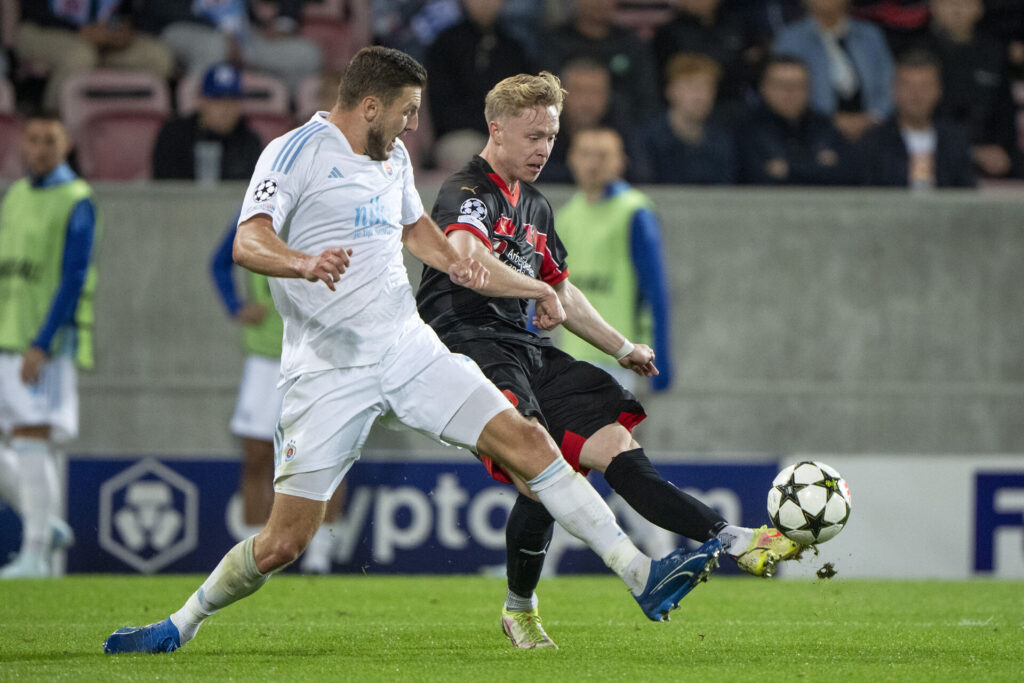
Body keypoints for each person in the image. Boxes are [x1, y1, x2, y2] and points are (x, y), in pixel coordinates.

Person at [103, 46, 722, 656]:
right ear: (370, 105)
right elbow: (248, 242)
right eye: (407, 110)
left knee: (530, 442)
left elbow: (412, 229)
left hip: (406, 348)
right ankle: (181, 623)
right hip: (327, 370)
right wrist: (303, 261)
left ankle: (641, 575)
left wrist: (461, 264)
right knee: (283, 543)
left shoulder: (393, 154)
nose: (415, 125)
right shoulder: (292, 154)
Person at [415, 71, 803, 650]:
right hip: (468, 347)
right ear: (496, 130)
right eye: (533, 136)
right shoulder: (468, 191)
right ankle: (534, 604)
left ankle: (733, 538)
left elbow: (562, 292)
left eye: (551, 135)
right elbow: (467, 261)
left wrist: (621, 346)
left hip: (526, 350)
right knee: (539, 472)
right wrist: (535, 291)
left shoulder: (538, 206)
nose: (545, 148)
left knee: (616, 450)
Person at [210, 213, 342, 574]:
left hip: (319, 349)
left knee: (327, 452)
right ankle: (252, 558)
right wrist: (235, 305)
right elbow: (220, 261)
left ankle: (320, 556)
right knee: (256, 454)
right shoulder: (255, 210)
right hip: (267, 353)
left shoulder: (325, 199)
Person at [0, 113, 97, 578]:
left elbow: (73, 277)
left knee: (30, 436)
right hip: (6, 334)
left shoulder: (77, 198)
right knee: (19, 441)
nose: (39, 148)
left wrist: (42, 342)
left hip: (45, 343)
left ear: (66, 144)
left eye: (50, 140)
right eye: (33, 139)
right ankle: (47, 521)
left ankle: (36, 553)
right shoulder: (15, 195)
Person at [556, 127, 673, 394]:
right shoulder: (566, 216)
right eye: (585, 154)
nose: (593, 164)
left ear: (621, 162)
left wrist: (662, 358)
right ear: (571, 158)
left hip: (622, 355)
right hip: (573, 353)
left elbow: (656, 288)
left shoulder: (634, 211)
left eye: (603, 155)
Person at [912, 0, 1020, 179]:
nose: (957, 10)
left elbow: (1005, 111)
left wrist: (1001, 148)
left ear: (979, 8)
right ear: (933, 7)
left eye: (965, 2)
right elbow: (918, 115)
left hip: (992, 150)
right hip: (937, 151)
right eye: (948, 3)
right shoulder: (919, 53)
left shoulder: (994, 51)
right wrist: (971, 152)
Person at [135, 0, 321, 97]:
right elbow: (157, 6)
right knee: (215, 47)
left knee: (308, 54)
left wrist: (281, 24)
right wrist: (220, 29)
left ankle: (281, 118)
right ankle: (194, 118)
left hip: (242, 31)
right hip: (183, 25)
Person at [15, 0, 173, 112]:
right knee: (80, 56)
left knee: (157, 57)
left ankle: (124, 125)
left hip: (101, 37)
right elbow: (31, 8)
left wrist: (123, 30)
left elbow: (125, 10)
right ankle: (54, 130)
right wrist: (77, 31)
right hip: (43, 28)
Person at [773, 0, 895, 141]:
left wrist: (874, 117)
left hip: (873, 131)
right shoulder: (790, 39)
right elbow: (783, 90)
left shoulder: (870, 35)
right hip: (811, 134)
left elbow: (890, 83)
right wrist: (827, 121)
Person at [858, 49, 975, 188]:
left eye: (924, 86)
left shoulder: (955, 141)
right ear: (894, 90)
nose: (916, 94)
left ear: (938, 91)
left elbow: (967, 196)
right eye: (907, 85)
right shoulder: (872, 143)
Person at [540, 0, 660, 129]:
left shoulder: (631, 44)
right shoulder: (554, 42)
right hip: (560, 130)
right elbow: (543, 95)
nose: (599, 3)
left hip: (624, 130)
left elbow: (647, 100)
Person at [424, 0, 534, 141]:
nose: (485, 2)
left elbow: (524, 102)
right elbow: (442, 106)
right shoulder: (445, 44)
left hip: (507, 134)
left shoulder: (513, 49)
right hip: (459, 134)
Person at [739, 55, 855, 184]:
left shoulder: (823, 125)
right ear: (763, 87)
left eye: (798, 85)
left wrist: (788, 169)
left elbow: (846, 173)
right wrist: (817, 164)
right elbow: (757, 177)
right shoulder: (747, 127)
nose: (789, 92)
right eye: (780, 85)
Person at [632, 52, 738, 184]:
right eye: (691, 87)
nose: (700, 96)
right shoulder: (647, 138)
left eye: (708, 88)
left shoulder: (722, 140)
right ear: (670, 91)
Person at [152, 63, 263, 182]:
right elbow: (164, 186)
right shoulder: (174, 135)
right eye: (218, 100)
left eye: (233, 100)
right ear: (202, 101)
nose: (226, 109)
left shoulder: (249, 141)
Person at [539, 58, 629, 184]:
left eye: (595, 92)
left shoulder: (622, 128)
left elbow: (641, 174)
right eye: (578, 91)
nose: (587, 102)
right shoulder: (541, 129)